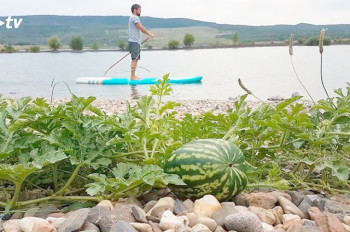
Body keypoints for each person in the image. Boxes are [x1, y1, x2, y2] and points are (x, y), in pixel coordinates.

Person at [128, 4, 154, 80]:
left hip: (135, 42)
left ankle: (133, 76)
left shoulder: (133, 17)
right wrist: (150, 34)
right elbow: (141, 28)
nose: (140, 11)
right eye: (139, 9)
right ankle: (132, 76)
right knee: (135, 59)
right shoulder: (134, 17)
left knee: (135, 59)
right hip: (134, 42)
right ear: (134, 10)